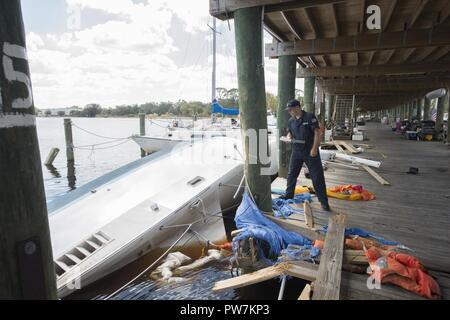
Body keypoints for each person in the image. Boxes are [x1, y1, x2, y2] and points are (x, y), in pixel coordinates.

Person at [280, 99, 330, 211]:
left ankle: (324, 202)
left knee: (317, 177)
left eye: (291, 109)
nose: (289, 112)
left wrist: (314, 148)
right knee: (291, 174)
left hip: (310, 150)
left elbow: (317, 133)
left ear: (298, 107)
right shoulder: (290, 121)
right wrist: (289, 137)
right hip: (297, 151)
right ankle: (288, 195)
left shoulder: (309, 117)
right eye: (288, 110)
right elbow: (290, 133)